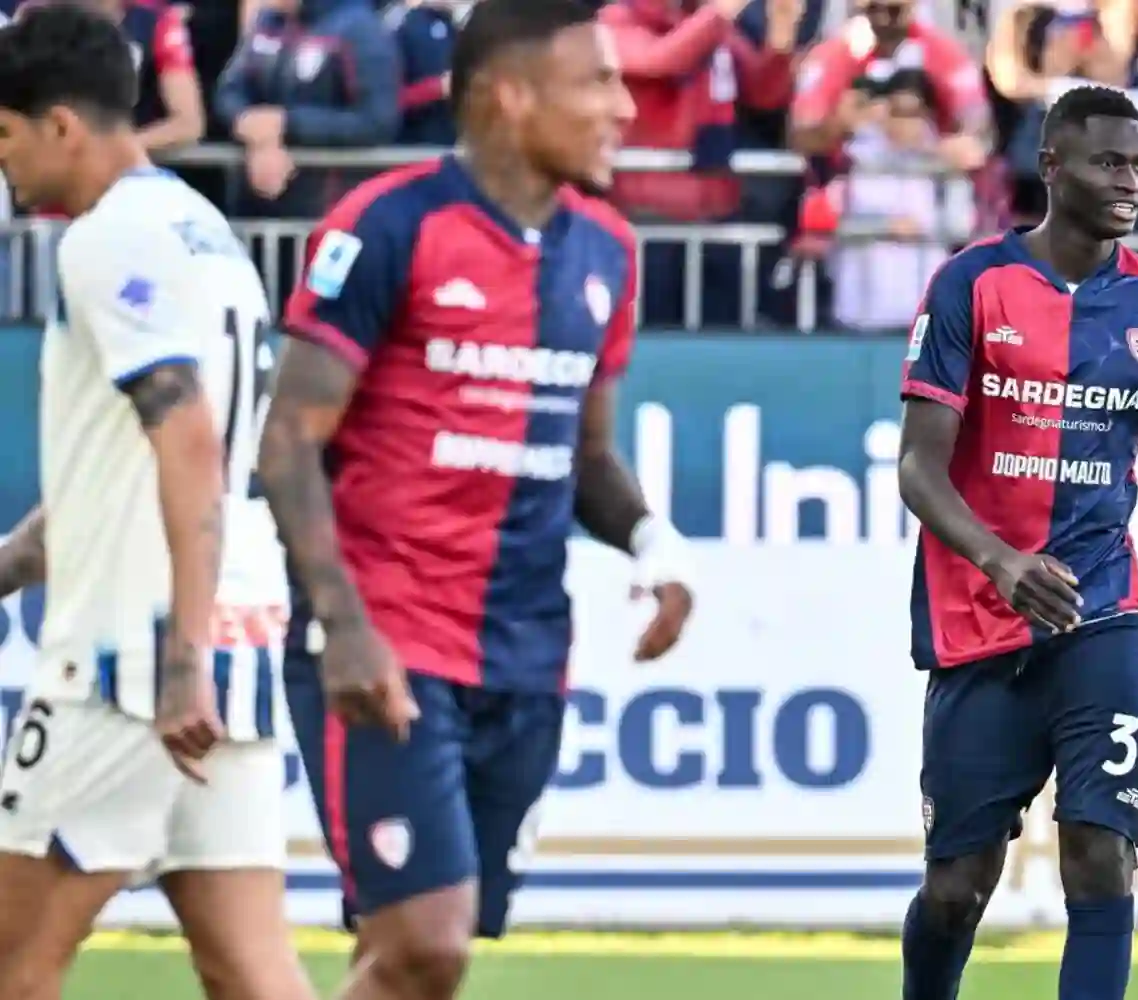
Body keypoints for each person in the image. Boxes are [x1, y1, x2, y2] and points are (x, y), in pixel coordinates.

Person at [256, 0, 697, 996]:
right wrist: (344, 625)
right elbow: (286, 443)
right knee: (426, 944)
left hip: (525, 656)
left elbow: (588, 454)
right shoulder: (388, 225)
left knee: (412, 956)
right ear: (510, 95)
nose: (624, 107)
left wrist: (655, 547)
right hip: (387, 640)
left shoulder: (607, 254)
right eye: (598, 81)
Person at [0, 7, 312, 1000]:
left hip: (132, 663)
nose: (0, 162)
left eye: (2, 134)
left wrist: (179, 660)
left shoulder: (105, 241)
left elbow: (185, 439)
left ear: (61, 125)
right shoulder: (200, 230)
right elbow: (154, 462)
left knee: (12, 961)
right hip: (235, 631)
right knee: (249, 968)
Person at [896, 84, 1138, 1000]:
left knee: (1103, 861)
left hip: (1104, 616)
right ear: (1050, 166)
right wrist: (1000, 562)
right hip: (979, 625)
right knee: (957, 892)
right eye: (1110, 162)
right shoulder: (971, 285)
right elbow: (919, 468)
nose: (1130, 182)